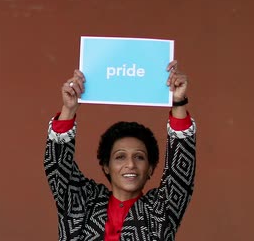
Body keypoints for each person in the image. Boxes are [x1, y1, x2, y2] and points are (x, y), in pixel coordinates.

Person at [44, 60, 196, 241]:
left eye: (139, 157)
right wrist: (68, 109)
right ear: (106, 166)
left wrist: (179, 103)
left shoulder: (160, 210)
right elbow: (58, 168)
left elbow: (178, 174)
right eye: (120, 157)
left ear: (150, 168)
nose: (130, 164)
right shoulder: (83, 202)